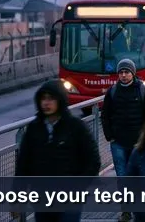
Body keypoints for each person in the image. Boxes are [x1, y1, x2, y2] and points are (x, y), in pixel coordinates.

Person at [15, 79, 101, 222]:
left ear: (60, 100)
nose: (46, 103)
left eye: (51, 98)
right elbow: (23, 165)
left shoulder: (75, 127)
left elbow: (92, 160)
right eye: (43, 98)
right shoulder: (34, 128)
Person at [100, 59, 145, 222]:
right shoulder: (113, 92)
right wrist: (109, 135)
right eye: (121, 72)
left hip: (138, 143)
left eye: (126, 72)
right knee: (123, 178)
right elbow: (105, 115)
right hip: (118, 143)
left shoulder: (142, 91)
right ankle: (126, 211)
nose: (123, 75)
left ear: (132, 73)